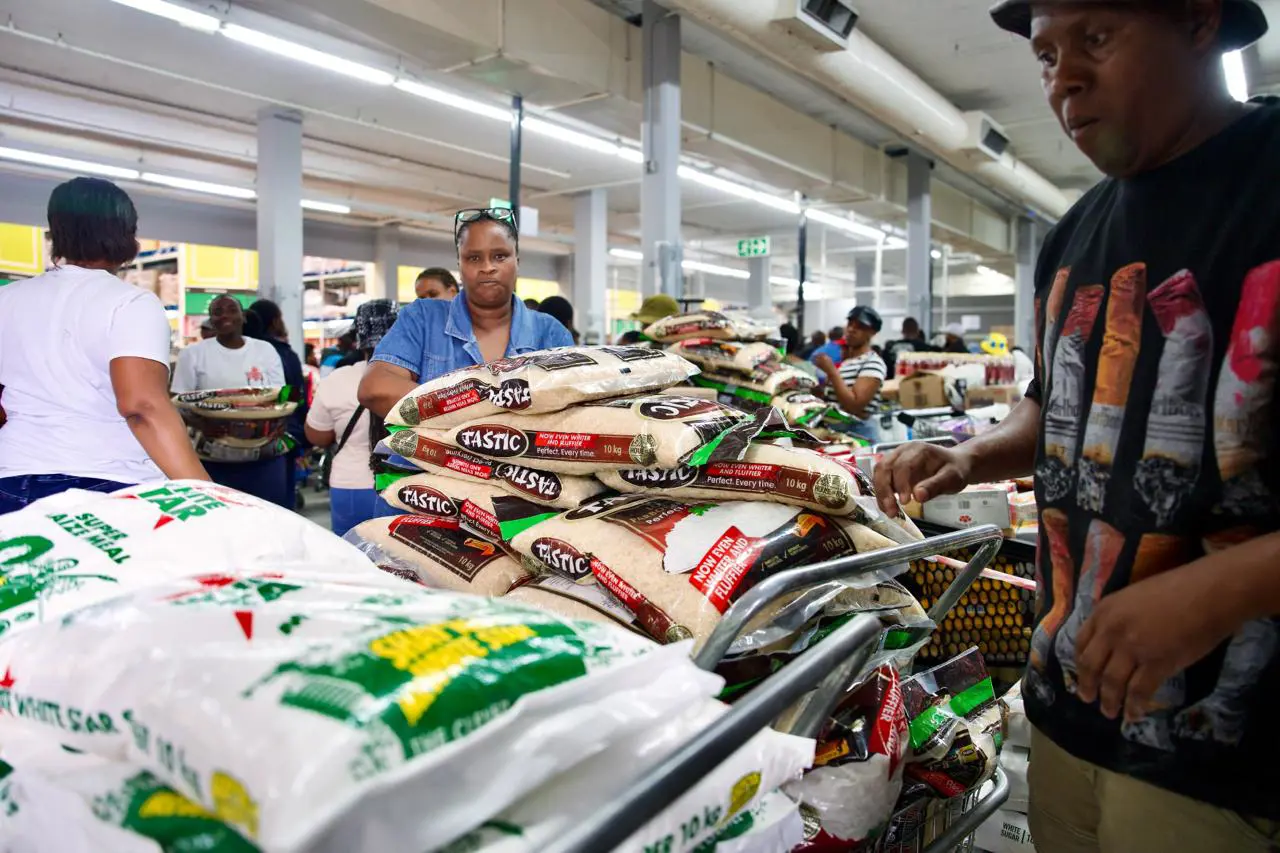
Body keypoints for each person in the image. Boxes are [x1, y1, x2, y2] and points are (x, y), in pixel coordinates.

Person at [878, 1, 1280, 849]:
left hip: (1231, 754)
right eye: (1048, 52)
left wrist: (1225, 586)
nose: (1064, 77)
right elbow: (1053, 395)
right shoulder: (1076, 232)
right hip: (1068, 708)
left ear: (1199, 21)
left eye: (1097, 37)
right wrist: (972, 454)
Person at [0, 177, 207, 513]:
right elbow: (142, 406)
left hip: (12, 479)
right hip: (107, 482)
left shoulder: (6, 299)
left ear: (57, 230)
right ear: (124, 234)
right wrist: (206, 495)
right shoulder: (130, 303)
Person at [359, 208, 574, 416]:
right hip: (429, 455)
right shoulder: (422, 318)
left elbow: (571, 408)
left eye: (500, 256)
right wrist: (480, 407)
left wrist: (445, 408)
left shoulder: (551, 333)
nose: (487, 267)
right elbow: (375, 387)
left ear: (516, 263)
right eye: (474, 258)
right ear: (459, 267)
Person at [172, 294, 290, 506]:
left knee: (266, 519)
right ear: (211, 320)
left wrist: (276, 422)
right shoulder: (192, 354)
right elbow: (176, 401)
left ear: (243, 317)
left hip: (263, 456)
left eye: (231, 309)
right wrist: (200, 424)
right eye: (217, 312)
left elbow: (281, 396)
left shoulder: (265, 350)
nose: (224, 315)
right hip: (213, 458)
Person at [306, 300, 399, 535]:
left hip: (350, 486)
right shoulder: (419, 379)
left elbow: (317, 436)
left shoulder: (337, 380)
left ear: (359, 338)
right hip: (404, 487)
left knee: (354, 560)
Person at [247, 299, 310, 507]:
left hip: (238, 440)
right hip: (280, 438)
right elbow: (294, 398)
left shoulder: (244, 353)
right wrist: (300, 434)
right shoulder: (283, 353)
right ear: (274, 322)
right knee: (279, 504)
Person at [813, 306, 887, 442]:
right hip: (839, 434)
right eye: (850, 324)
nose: (851, 329)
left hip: (859, 437)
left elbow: (854, 405)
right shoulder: (848, 362)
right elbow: (838, 399)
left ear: (872, 333)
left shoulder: (873, 363)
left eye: (859, 327)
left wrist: (832, 372)